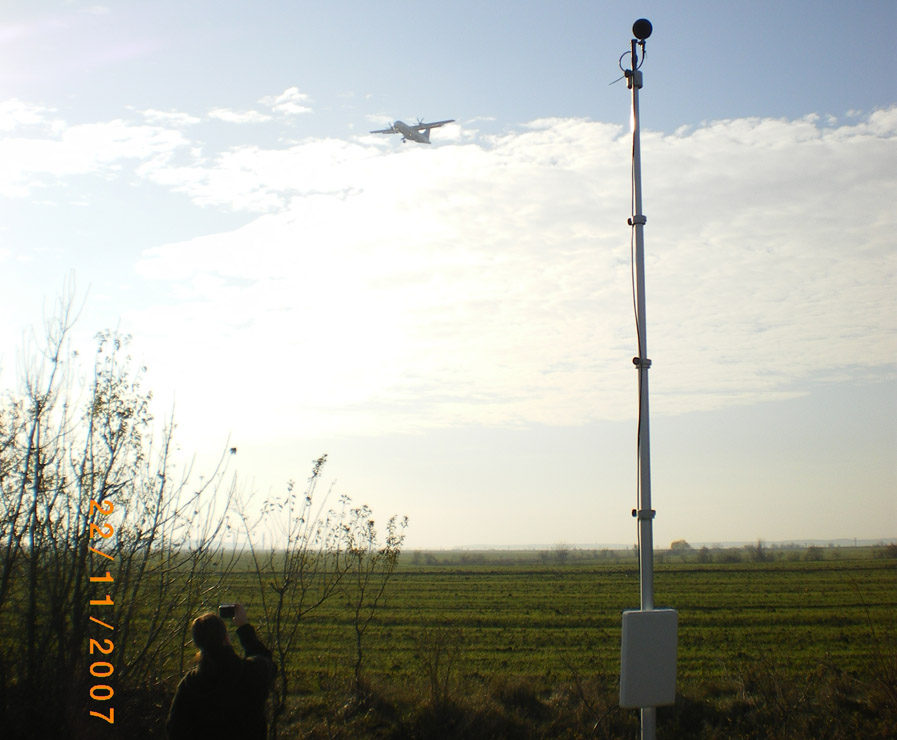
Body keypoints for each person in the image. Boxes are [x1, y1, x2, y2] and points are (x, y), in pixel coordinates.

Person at [166, 603, 276, 739]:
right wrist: (244, 627)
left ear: (198, 644)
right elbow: (267, 662)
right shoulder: (250, 672)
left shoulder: (189, 685)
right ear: (226, 638)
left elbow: (175, 730)